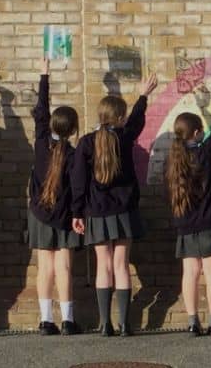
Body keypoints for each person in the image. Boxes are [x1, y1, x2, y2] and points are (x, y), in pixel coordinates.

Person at [72, 73, 160, 337]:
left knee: (104, 265)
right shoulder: (124, 137)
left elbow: (78, 181)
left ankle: (105, 324)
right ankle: (124, 324)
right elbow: (137, 120)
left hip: (97, 211)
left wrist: (77, 212)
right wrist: (143, 95)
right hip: (124, 210)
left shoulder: (86, 142)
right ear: (120, 118)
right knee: (121, 265)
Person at [164, 87, 211, 337]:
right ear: (196, 133)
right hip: (210, 222)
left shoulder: (172, 160)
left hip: (185, 224)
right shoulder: (205, 153)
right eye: (201, 130)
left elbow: (166, 192)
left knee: (190, 272)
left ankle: (193, 322)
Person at [26, 55, 82, 336]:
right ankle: (68, 320)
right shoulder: (73, 155)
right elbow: (77, 188)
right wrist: (77, 214)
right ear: (73, 130)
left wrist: (44, 75)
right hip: (65, 216)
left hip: (39, 213)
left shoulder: (40, 142)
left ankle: (46, 320)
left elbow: (41, 110)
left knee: (44, 267)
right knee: (65, 267)